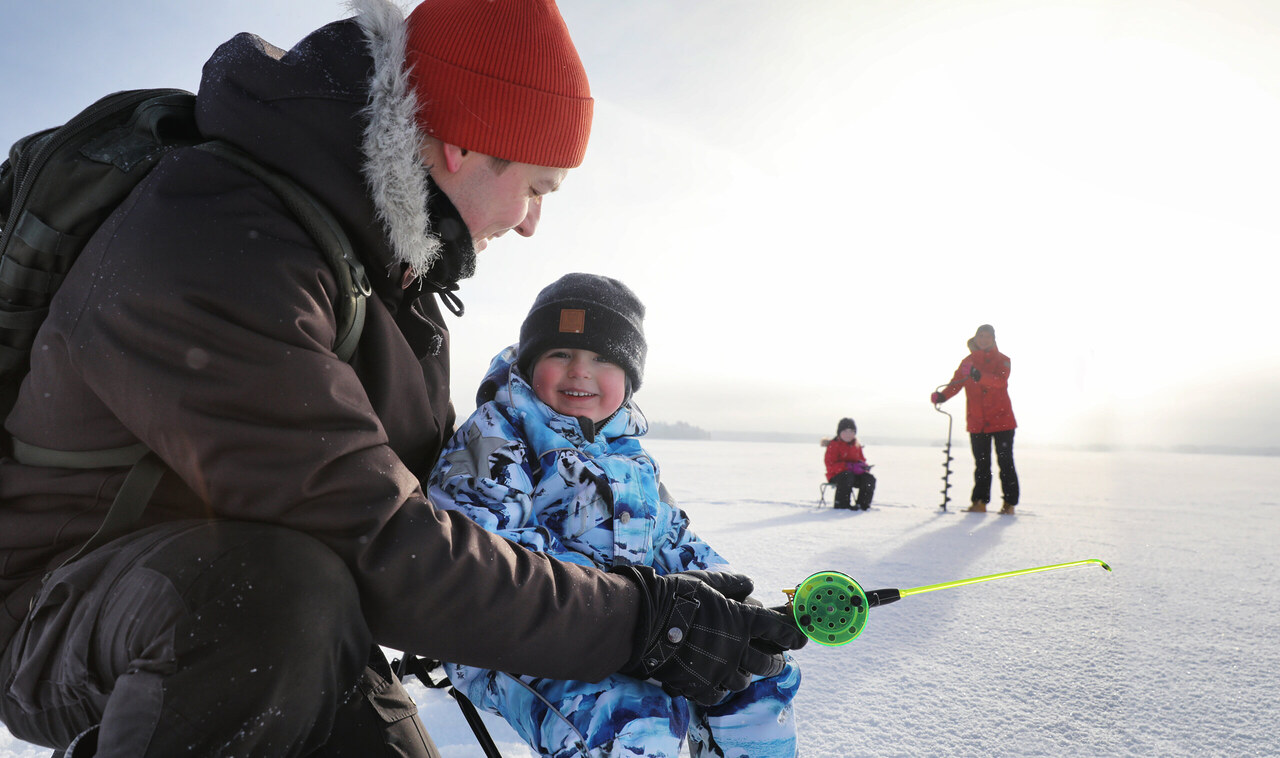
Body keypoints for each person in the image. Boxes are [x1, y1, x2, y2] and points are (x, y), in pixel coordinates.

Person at [0, 2, 806, 755]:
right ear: (461, 144)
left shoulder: (387, 279)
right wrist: (639, 621)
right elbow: (386, 543)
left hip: (285, 602)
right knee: (272, 601)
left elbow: (432, 520)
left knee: (295, 613)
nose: (531, 222)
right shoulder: (214, 242)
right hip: (65, 607)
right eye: (534, 187)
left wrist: (647, 594)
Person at [429, 273, 802, 758]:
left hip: (639, 631)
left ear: (629, 378)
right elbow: (491, 552)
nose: (580, 371)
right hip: (510, 639)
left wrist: (728, 602)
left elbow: (672, 538)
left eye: (603, 358)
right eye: (560, 354)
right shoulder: (496, 438)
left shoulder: (630, 456)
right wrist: (634, 614)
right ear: (528, 361)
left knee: (757, 676)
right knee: (635, 721)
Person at [931, 324, 1020, 514]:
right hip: (977, 423)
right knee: (981, 464)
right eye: (981, 335)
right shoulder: (967, 362)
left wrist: (979, 376)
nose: (984, 339)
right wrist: (942, 396)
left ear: (993, 339)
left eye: (988, 336)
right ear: (976, 338)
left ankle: (1009, 504)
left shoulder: (1003, 360)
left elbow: (1000, 381)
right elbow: (956, 384)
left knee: (1005, 462)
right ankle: (979, 502)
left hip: (1002, 421)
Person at [823, 418, 876, 510]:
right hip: (836, 475)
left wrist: (863, 467)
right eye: (845, 431)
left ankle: (863, 505)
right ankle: (841, 504)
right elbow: (830, 465)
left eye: (851, 431)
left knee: (869, 478)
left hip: (853, 475)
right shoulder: (834, 445)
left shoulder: (856, 445)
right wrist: (847, 466)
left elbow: (861, 459)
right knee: (847, 475)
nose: (848, 434)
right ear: (839, 432)